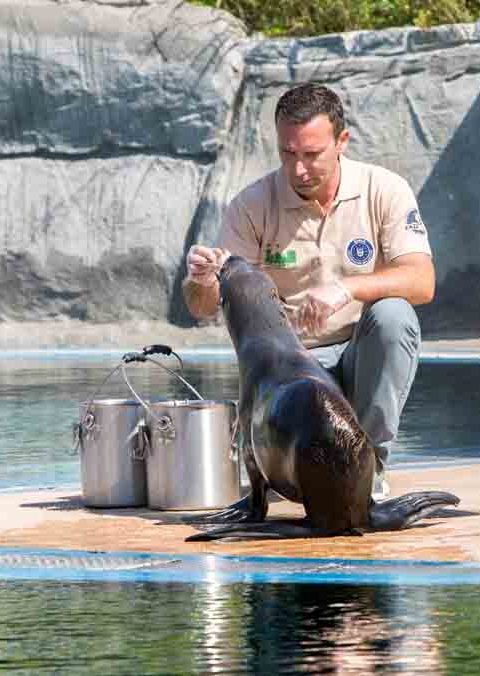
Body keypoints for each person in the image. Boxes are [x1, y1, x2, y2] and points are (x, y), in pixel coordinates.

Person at [183, 82, 434, 497]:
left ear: (342, 142)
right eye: (288, 153)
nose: (298, 169)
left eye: (312, 155)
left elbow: (422, 281)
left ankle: (367, 466)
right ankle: (279, 469)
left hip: (359, 355)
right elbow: (203, 307)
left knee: (395, 315)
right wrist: (203, 280)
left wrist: (348, 289)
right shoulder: (252, 205)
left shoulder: (384, 189)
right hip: (292, 368)